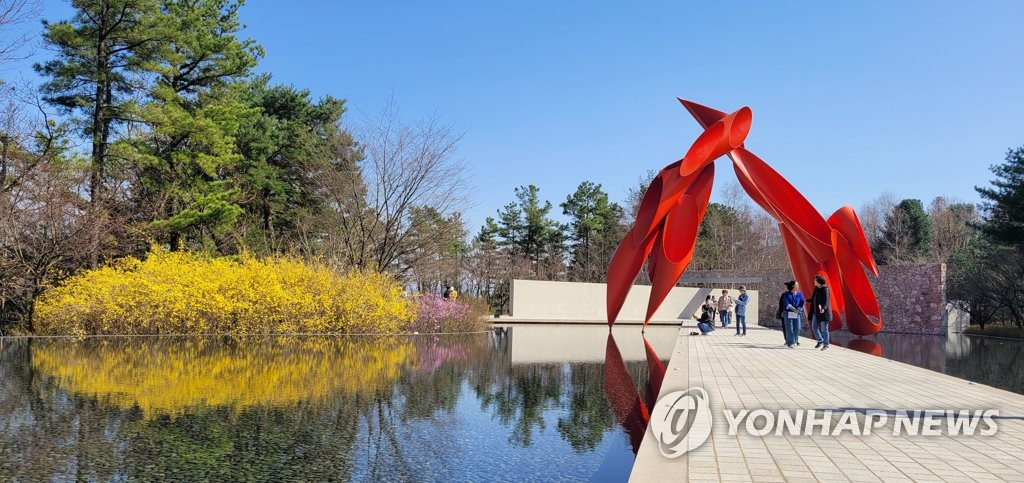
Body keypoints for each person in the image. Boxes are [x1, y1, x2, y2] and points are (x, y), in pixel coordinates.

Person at [809, 274, 832, 350]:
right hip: (816, 312)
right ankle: (820, 340)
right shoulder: (816, 288)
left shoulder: (825, 289)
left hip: (824, 313)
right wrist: (808, 300)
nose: (814, 281)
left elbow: (826, 301)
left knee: (824, 329)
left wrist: (823, 308)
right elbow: (814, 299)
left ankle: (826, 345)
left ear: (819, 282)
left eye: (815, 280)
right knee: (814, 327)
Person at [782, 281, 804, 348]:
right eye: (796, 285)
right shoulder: (786, 294)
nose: (798, 286)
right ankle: (790, 343)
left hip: (797, 313)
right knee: (789, 328)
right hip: (788, 313)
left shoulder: (800, 294)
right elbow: (786, 303)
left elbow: (802, 302)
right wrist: (793, 309)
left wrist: (799, 309)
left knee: (797, 328)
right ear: (793, 286)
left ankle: (794, 340)